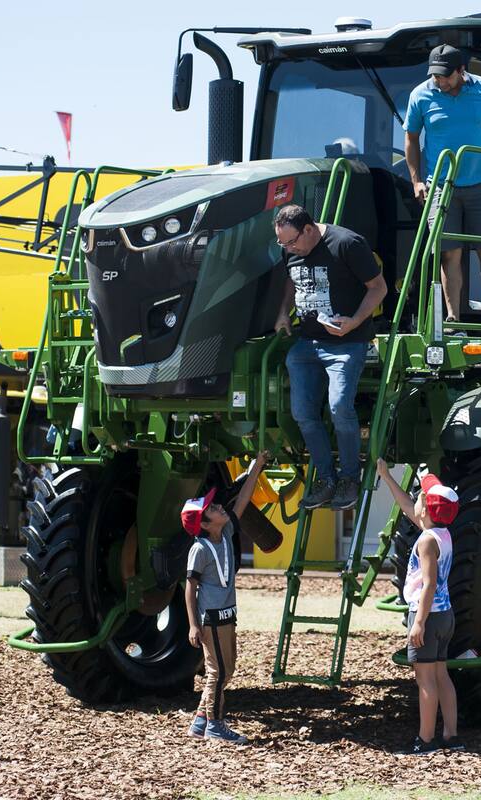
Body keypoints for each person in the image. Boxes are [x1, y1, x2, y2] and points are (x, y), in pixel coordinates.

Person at [273, 204, 387, 511]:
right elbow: (291, 278)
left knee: (339, 407)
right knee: (302, 413)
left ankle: (349, 478)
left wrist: (355, 321)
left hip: (346, 343)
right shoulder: (291, 248)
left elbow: (379, 288)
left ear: (309, 229)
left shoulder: (347, 243)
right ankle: (326, 479)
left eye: (291, 241)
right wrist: (283, 312)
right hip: (307, 343)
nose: (288, 248)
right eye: (282, 243)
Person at [404, 43, 481, 334]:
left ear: (462, 70)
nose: (439, 80)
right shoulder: (420, 94)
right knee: (449, 254)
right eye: (434, 75)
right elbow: (411, 138)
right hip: (441, 187)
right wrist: (416, 181)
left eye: (445, 75)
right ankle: (452, 319)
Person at [375, 458, 462, 754]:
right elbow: (407, 506)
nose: (416, 501)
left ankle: (425, 741)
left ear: (425, 511)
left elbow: (428, 584)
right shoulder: (442, 534)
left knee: (424, 680)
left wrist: (419, 622)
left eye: (421, 499)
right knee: (441, 675)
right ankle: (451, 735)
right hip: (445, 615)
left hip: (428, 615)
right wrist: (387, 477)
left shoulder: (425, 542)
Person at [184, 449, 271, 743]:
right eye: (211, 509)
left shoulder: (227, 530)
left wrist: (257, 467)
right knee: (218, 671)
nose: (218, 506)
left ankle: (200, 720)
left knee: (225, 669)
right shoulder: (199, 549)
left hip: (227, 614)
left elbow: (243, 500)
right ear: (204, 524)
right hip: (211, 617)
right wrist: (193, 624)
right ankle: (215, 724)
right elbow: (190, 588)